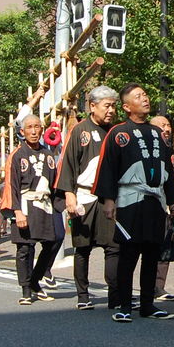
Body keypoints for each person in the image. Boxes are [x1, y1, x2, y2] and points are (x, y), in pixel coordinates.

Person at [94, 84, 174, 322]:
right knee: (129, 253)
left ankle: (147, 304)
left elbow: (168, 169)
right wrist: (109, 200)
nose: (145, 99)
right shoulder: (119, 133)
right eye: (138, 96)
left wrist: (172, 199)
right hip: (130, 199)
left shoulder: (157, 133)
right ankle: (123, 304)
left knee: (152, 253)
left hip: (155, 199)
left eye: (145, 95)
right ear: (126, 106)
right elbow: (108, 167)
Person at [55, 86, 120, 310]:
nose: (111, 110)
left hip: (109, 197)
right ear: (92, 106)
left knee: (113, 247)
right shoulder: (79, 130)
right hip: (84, 195)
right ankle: (83, 294)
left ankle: (115, 295)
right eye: (107, 106)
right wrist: (69, 196)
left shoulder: (116, 132)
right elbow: (67, 164)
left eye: (113, 106)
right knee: (83, 248)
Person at [0, 116, 63, 304]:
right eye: (30, 128)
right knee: (25, 248)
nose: (34, 131)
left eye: (37, 127)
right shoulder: (17, 155)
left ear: (42, 130)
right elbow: (12, 185)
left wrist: (62, 204)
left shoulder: (48, 154)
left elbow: (54, 183)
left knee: (55, 240)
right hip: (25, 203)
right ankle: (26, 289)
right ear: (22, 131)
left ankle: (35, 279)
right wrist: (17, 211)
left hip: (45, 203)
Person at [149, 114, 174, 303]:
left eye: (168, 125)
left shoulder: (169, 149)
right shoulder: (147, 148)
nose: (167, 129)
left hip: (164, 202)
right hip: (147, 201)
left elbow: (171, 178)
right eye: (162, 125)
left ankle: (159, 287)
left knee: (165, 244)